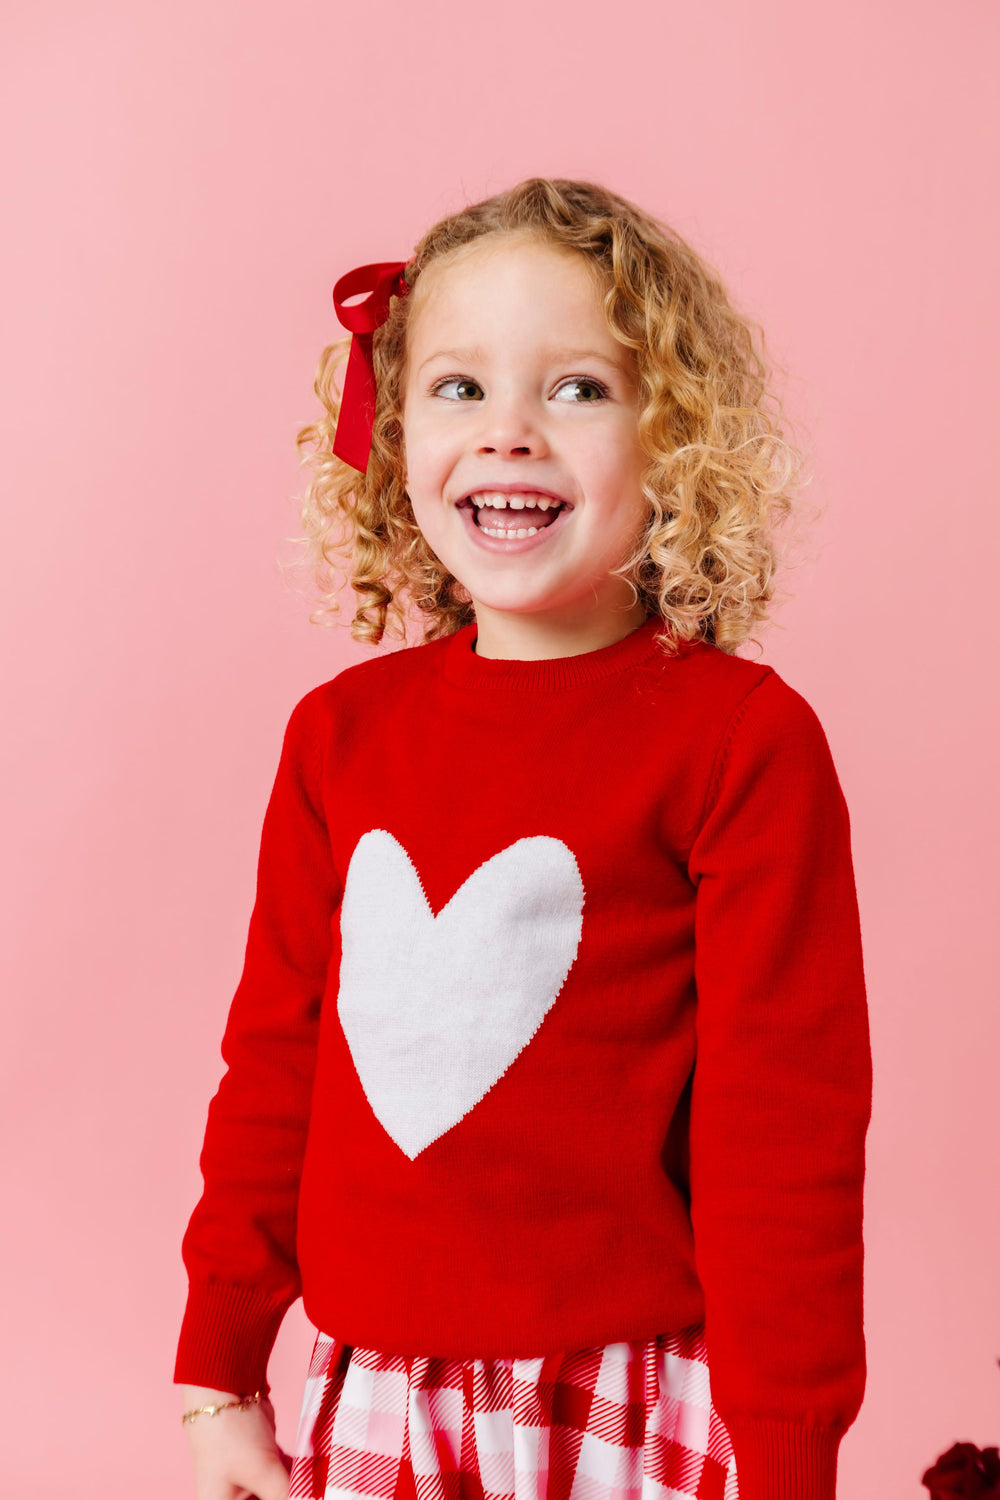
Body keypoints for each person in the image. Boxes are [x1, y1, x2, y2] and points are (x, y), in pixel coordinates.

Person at [174, 177, 873, 1500]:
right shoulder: (339, 738)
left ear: (679, 439)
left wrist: (788, 1455)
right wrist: (220, 1369)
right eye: (458, 388)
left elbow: (785, 1130)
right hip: (371, 1393)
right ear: (389, 434)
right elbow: (275, 1060)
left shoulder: (739, 742)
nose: (509, 434)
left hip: (635, 1394)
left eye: (577, 390)